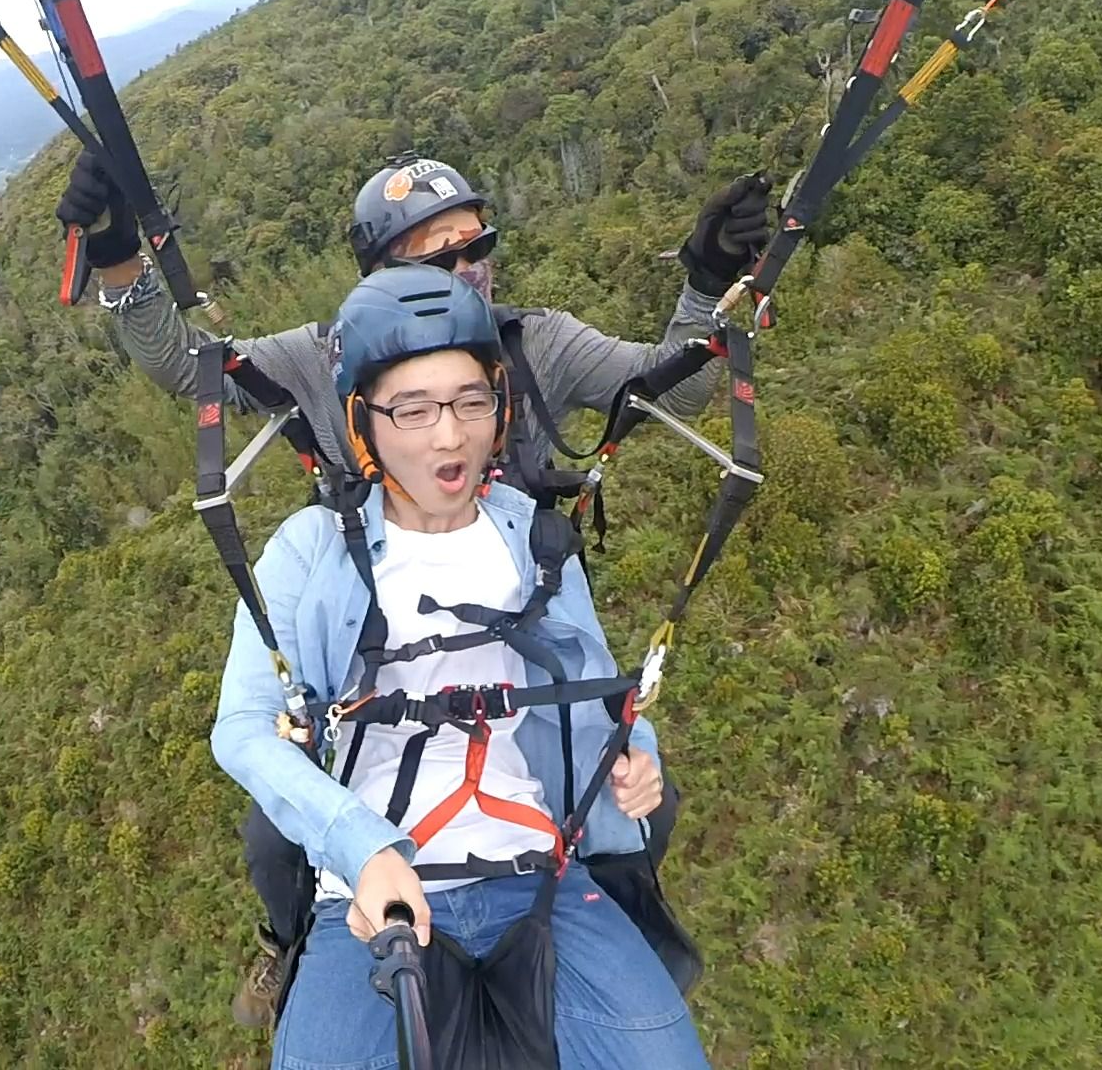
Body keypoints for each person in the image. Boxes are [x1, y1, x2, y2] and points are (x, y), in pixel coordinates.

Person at [57, 150, 769, 1024]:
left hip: (528, 608)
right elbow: (188, 366)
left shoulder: (529, 343)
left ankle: (607, 924)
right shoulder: (330, 360)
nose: (467, 269)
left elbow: (669, 388)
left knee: (640, 801)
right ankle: (291, 943)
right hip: (374, 637)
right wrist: (117, 258)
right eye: (436, 257)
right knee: (275, 842)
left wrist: (708, 285)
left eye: (476, 246)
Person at [211, 265, 712, 1068]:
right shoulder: (310, 551)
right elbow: (242, 727)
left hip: (539, 870)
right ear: (363, 421)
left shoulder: (536, 541)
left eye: (470, 403)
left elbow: (598, 693)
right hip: (371, 893)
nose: (449, 437)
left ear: (499, 407)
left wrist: (636, 755)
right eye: (412, 409)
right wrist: (360, 848)